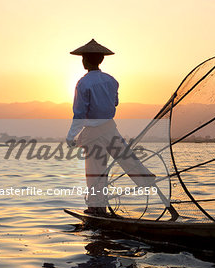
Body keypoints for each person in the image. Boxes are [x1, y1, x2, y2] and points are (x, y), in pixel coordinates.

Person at [66, 39, 179, 220]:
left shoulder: (83, 84)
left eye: (84, 58)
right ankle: (149, 181)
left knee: (95, 171)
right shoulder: (112, 81)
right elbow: (115, 103)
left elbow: (79, 113)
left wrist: (71, 137)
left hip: (94, 132)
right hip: (110, 129)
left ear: (85, 60)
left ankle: (96, 209)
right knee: (129, 160)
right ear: (101, 60)